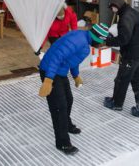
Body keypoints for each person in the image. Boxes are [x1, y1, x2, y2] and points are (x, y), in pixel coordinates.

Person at [38, 23, 109, 155]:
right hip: (50, 70)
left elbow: (72, 60)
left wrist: (76, 76)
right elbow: (56, 56)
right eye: (100, 42)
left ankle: (67, 124)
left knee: (68, 100)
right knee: (59, 107)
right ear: (96, 37)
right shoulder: (78, 40)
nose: (100, 45)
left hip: (60, 71)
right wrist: (48, 79)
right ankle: (62, 143)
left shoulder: (84, 43)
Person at [103, 0, 139, 118]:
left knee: (121, 79)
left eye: (111, 7)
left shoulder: (125, 18)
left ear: (115, 6)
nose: (111, 10)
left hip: (132, 55)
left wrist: (109, 41)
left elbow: (124, 38)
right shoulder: (132, 12)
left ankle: (116, 103)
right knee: (137, 80)